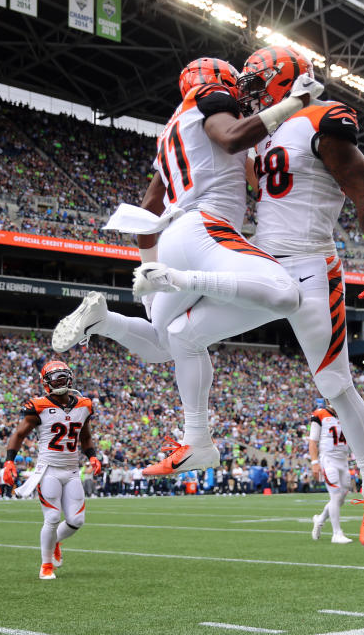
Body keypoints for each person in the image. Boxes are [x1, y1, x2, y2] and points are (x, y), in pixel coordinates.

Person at [52, 56, 325, 477]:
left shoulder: (170, 131)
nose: (241, 91)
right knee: (287, 291)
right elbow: (233, 138)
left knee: (172, 341)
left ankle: (105, 323)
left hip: (170, 238)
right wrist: (294, 104)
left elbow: (147, 210)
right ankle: (172, 285)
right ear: (217, 82)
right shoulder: (211, 97)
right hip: (205, 228)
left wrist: (149, 268)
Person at [240, 46, 364, 544]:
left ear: (285, 78)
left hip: (312, 267)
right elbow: (262, 183)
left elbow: (363, 195)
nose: (252, 91)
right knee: (187, 330)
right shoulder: (270, 128)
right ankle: (194, 436)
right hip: (264, 262)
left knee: (335, 385)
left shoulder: (323, 119)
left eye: (259, 80)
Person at [2, 361, 102, 580]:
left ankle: (55, 541)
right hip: (49, 470)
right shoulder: (38, 405)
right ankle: (46, 565)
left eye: (62, 376)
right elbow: (19, 435)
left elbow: (85, 435)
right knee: (53, 517)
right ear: (46, 382)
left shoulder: (84, 405)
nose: (59, 381)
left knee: (77, 521)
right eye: (55, 377)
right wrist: (9, 461)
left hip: (72, 470)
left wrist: (92, 455)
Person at [308, 406, 352, 544]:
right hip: (328, 460)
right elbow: (313, 441)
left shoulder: (346, 414)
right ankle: (336, 533)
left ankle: (320, 519)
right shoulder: (320, 414)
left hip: (343, 461)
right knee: (336, 495)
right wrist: (314, 462)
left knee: (342, 498)